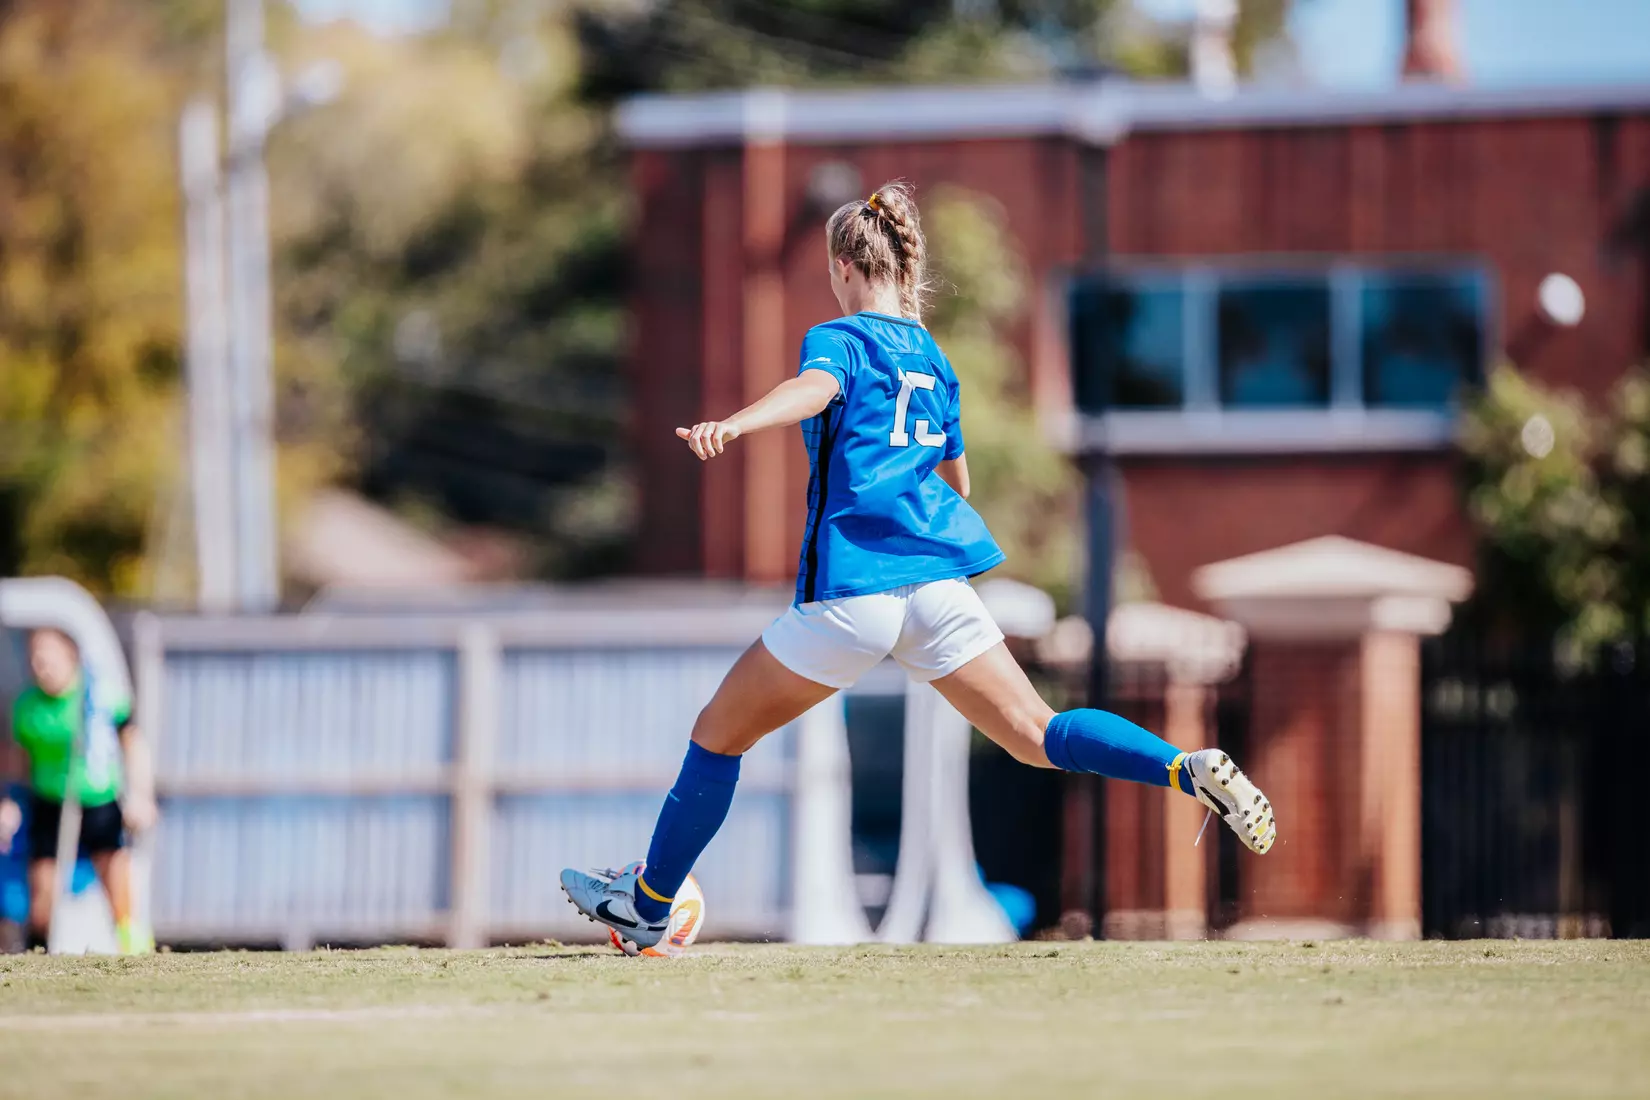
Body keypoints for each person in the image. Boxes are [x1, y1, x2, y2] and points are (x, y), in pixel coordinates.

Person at [561, 182, 1275, 951]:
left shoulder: (840, 338)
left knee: (716, 737)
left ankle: (649, 902)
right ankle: (1182, 767)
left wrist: (735, 425)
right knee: (1038, 733)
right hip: (940, 585)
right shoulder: (934, 358)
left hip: (856, 591)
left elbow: (813, 390)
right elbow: (957, 481)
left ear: (844, 266)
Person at [0, 628, 156, 954]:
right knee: (43, 894)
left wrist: (141, 794)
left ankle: (135, 949)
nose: (41, 664)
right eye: (35, 657)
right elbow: (19, 761)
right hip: (50, 801)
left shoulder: (99, 696)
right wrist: (10, 801)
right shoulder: (28, 707)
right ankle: (38, 952)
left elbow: (132, 743)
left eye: (48, 655)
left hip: (98, 798)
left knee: (116, 883)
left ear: (69, 655)